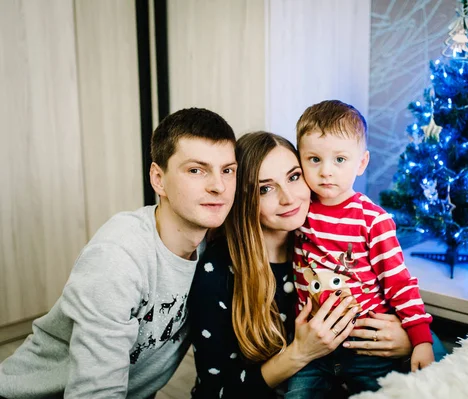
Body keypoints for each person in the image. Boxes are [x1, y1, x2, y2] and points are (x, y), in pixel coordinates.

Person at [0, 108, 237, 398]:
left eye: (227, 170)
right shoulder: (117, 258)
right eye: (196, 170)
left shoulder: (214, 247)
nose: (219, 186)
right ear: (158, 179)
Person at [188, 132, 422, 398]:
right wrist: (300, 353)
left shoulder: (323, 249)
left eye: (294, 176)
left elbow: (401, 298)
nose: (288, 198)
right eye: (265, 188)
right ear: (244, 199)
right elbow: (215, 391)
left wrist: (406, 341)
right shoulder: (218, 271)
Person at [287, 100, 434, 397]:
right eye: (314, 159)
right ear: (300, 160)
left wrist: (421, 340)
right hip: (314, 347)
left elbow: (399, 283)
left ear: (361, 162)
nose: (326, 171)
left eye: (339, 159)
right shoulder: (298, 211)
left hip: (367, 346)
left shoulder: (373, 220)